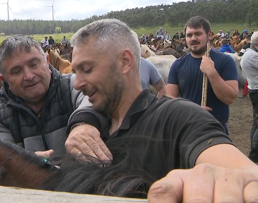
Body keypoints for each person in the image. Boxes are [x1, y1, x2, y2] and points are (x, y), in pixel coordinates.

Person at [64, 18, 258, 200]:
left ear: (125, 62)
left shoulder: (179, 118)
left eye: (87, 69)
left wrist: (234, 181)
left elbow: (243, 174)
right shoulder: (90, 127)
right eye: (75, 72)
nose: (77, 84)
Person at [0, 35, 106, 157]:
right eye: (16, 72)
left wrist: (82, 124)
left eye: (34, 64)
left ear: (47, 61)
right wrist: (28, 162)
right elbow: (4, 160)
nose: (29, 76)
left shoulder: (72, 85)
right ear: (4, 79)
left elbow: (94, 99)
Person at [166, 16, 238, 134]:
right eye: (189, 35)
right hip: (186, 129)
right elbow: (170, 99)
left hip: (215, 131)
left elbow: (229, 98)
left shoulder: (225, 61)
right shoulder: (177, 65)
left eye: (198, 34)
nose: (193, 38)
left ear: (209, 35)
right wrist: (192, 110)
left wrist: (212, 73)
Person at [240, 31, 258, 162]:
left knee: (255, 122)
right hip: (257, 90)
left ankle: (254, 148)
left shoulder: (249, 54)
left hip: (253, 89)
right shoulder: (253, 56)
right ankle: (254, 154)